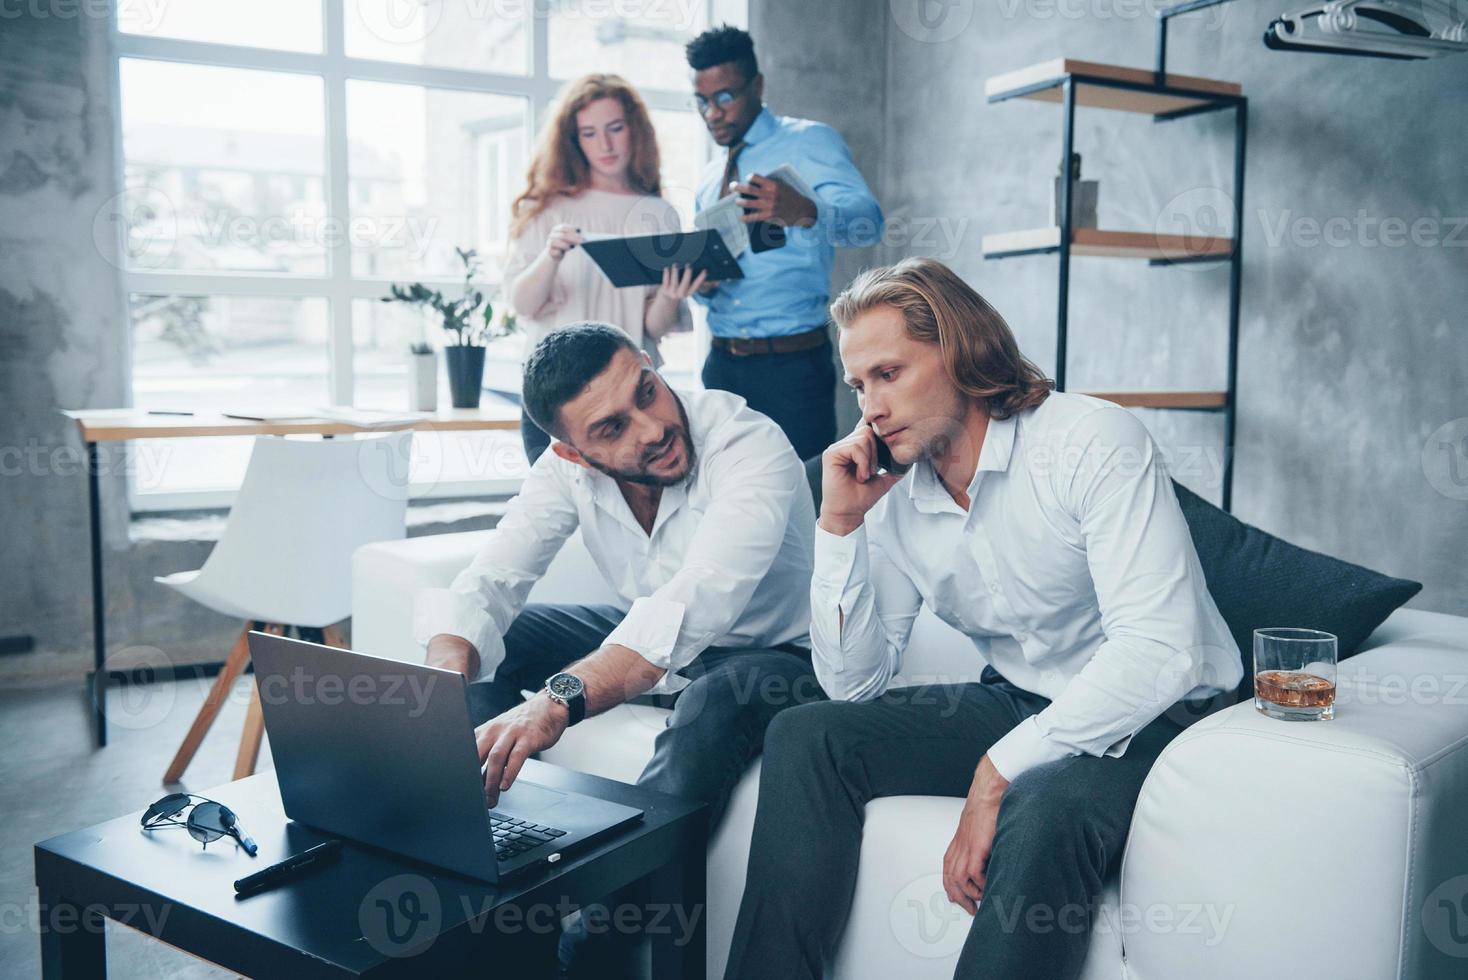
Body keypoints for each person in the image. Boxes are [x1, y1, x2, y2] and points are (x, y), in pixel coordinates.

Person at [724, 258, 1243, 980]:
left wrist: (997, 771)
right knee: (807, 732)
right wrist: (839, 525)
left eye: (889, 373)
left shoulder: (1090, 439)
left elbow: (1160, 650)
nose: (869, 406)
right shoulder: (893, 492)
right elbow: (851, 684)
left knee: (1043, 810)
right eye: (857, 385)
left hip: (1159, 714)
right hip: (1022, 697)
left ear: (961, 353)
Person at [415, 321, 822, 978]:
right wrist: (441, 678)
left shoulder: (748, 443)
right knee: (499, 643)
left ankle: (589, 951)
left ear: (651, 367)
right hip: (647, 635)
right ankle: (496, 863)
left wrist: (554, 702)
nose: (651, 427)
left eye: (647, 391)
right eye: (611, 429)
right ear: (573, 453)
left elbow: (696, 600)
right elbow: (492, 577)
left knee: (716, 701)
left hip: (778, 657)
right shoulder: (564, 472)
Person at [685, 25, 884, 461]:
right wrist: (703, 286)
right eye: (702, 101)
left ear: (756, 85)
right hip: (720, 365)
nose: (712, 114)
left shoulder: (809, 141)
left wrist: (806, 210)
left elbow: (870, 224)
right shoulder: (708, 175)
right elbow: (714, 271)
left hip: (791, 366)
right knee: (724, 497)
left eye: (724, 97)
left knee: (805, 501)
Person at [504, 73, 703, 464]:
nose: (606, 144)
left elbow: (653, 328)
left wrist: (670, 294)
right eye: (590, 133)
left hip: (630, 403)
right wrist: (551, 256)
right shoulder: (547, 207)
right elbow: (522, 305)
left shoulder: (658, 213)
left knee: (634, 513)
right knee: (562, 512)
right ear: (573, 140)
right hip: (560, 398)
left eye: (615, 128)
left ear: (635, 131)